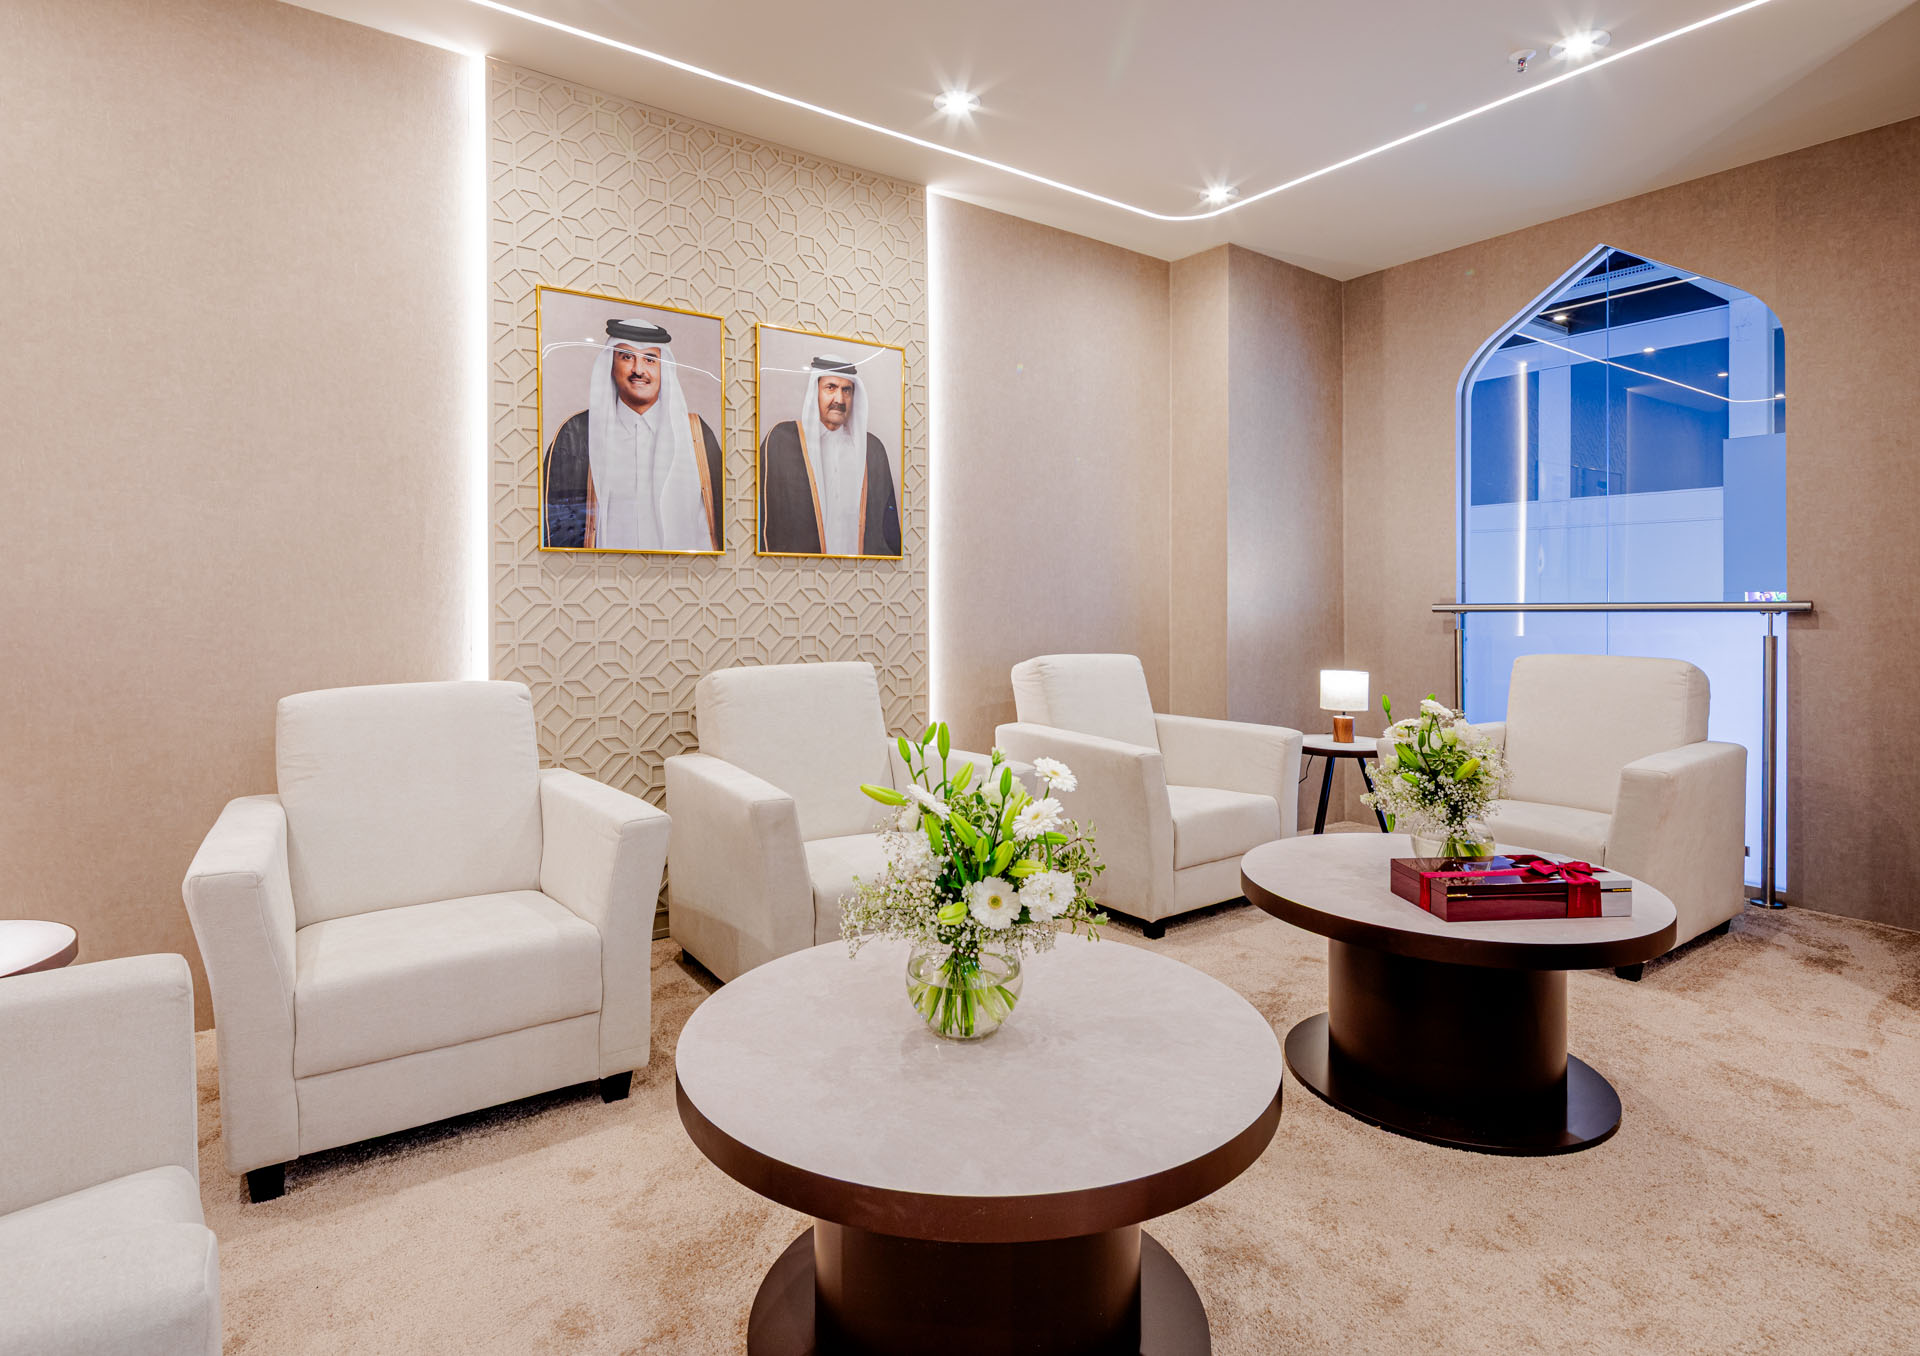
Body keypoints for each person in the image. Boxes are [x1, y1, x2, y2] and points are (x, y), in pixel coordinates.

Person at [543, 319, 723, 550]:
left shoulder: (696, 435)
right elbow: (558, 526)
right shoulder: (576, 434)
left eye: (650, 359)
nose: (639, 370)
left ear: (663, 369)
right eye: (627, 357)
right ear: (611, 365)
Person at [758, 354, 900, 556]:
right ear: (815, 391)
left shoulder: (873, 450)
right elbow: (765, 523)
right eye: (830, 388)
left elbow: (888, 530)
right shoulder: (782, 441)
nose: (839, 400)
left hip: (860, 571)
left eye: (846, 390)